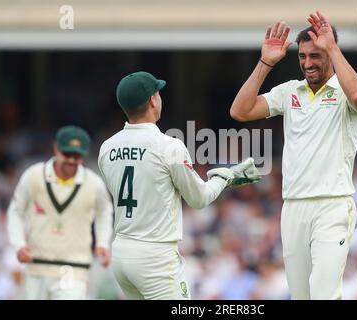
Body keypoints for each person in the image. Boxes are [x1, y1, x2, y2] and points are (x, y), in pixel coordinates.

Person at [230, 12, 357, 299]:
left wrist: (332, 47)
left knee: (323, 294)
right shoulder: (289, 92)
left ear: (331, 54)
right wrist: (266, 62)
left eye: (316, 56)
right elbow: (240, 111)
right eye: (303, 56)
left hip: (332, 206)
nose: (308, 63)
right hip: (293, 207)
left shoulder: (350, 90)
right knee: (301, 296)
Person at [98, 71, 260, 300]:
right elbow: (200, 199)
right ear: (153, 100)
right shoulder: (168, 146)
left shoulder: (107, 147)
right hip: (155, 256)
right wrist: (226, 176)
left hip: (122, 253)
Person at [7, 125, 113, 299]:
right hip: (36, 266)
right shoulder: (33, 175)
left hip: (73, 269)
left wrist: (102, 242)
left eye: (77, 156)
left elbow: (105, 212)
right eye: (67, 154)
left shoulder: (94, 183)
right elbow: (15, 210)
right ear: (56, 148)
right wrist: (18, 244)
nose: (71, 160)